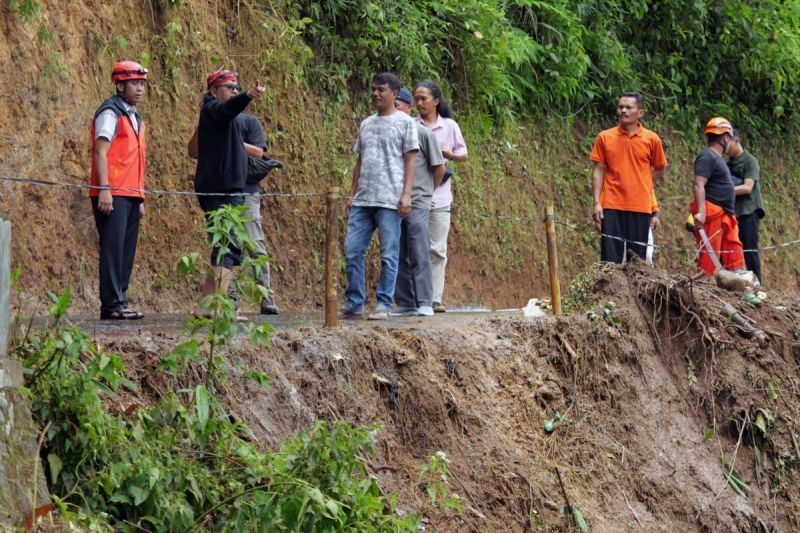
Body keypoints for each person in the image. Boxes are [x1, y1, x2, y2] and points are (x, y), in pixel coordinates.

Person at [188, 83, 279, 315]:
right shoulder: (214, 112)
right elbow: (194, 150)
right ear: (214, 92)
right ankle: (221, 305)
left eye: (239, 88)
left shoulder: (248, 122)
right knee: (225, 248)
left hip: (244, 190)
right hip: (223, 191)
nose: (235, 91)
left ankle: (262, 296)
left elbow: (259, 152)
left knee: (247, 246)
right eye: (230, 87)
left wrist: (230, 141)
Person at [341, 73, 419, 320]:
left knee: (389, 254)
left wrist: (406, 195)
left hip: (390, 200)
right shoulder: (366, 123)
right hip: (363, 200)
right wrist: (352, 193)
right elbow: (360, 160)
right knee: (352, 250)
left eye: (381, 90)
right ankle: (355, 302)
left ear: (394, 94)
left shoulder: (405, 123)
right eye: (373, 89)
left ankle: (384, 303)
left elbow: (410, 161)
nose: (375, 94)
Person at [90, 60, 148, 320]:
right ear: (120, 85)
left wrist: (140, 196)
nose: (139, 89)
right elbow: (100, 151)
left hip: (131, 193)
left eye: (141, 84)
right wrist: (104, 188)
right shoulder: (110, 112)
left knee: (126, 249)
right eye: (134, 84)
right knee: (113, 248)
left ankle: (120, 302)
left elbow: (135, 158)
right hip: (112, 191)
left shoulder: (135, 117)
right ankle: (112, 305)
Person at [590, 92, 667, 264]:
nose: (623, 110)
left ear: (640, 112)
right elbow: (598, 170)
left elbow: (661, 167)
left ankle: (634, 292)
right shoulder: (605, 137)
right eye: (620, 107)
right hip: (611, 205)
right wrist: (596, 202)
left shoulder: (651, 139)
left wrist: (642, 183)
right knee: (610, 262)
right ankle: (610, 292)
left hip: (640, 207)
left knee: (637, 263)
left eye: (628, 107)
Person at [414, 81, 468, 313]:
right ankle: (416, 297)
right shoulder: (410, 125)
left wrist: (450, 155)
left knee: (437, 248)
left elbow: (464, 154)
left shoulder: (449, 126)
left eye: (424, 98)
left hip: (441, 195)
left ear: (436, 101)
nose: (419, 103)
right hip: (415, 194)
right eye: (416, 98)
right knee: (415, 247)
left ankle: (435, 298)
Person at [393, 88, 446, 316]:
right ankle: (405, 301)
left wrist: (427, 192)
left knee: (418, 248)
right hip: (393, 200)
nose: (394, 109)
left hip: (418, 201)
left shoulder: (422, 133)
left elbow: (439, 167)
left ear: (408, 107)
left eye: (398, 105)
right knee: (396, 249)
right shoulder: (390, 132)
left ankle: (425, 300)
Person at [691, 117, 746, 276]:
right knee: (710, 255)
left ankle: (737, 284)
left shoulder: (717, 159)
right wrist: (701, 212)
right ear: (724, 137)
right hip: (712, 212)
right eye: (729, 137)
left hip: (725, 214)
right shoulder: (707, 157)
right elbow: (698, 184)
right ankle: (705, 287)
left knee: (733, 251)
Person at [727, 129, 765, 282]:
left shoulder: (750, 161)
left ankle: (757, 286)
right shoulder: (726, 165)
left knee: (750, 251)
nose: (724, 146)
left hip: (749, 212)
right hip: (732, 214)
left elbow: (748, 187)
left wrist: (725, 191)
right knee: (731, 252)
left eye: (727, 142)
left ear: (736, 141)